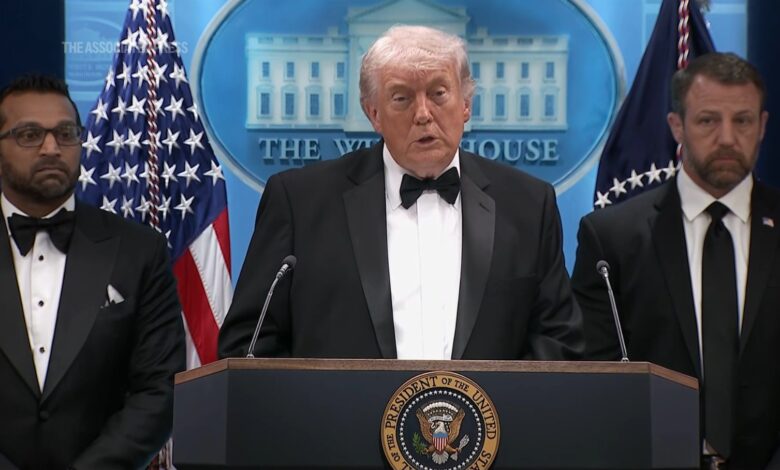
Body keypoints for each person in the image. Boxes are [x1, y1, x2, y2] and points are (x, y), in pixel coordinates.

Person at [219, 25, 583, 361]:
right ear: (373, 114)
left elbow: (559, 342)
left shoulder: (528, 205)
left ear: (466, 104)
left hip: (492, 414)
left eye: (438, 93)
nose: (423, 114)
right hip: (337, 414)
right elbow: (249, 345)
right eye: (401, 98)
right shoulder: (300, 203)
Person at [572, 52, 780, 468]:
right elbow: (596, 377)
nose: (727, 138)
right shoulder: (612, 237)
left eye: (742, 120)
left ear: (762, 126)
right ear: (676, 126)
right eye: (708, 121)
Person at [0, 75, 185, 469]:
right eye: (30, 135)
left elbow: (159, 390)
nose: (52, 148)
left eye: (66, 133)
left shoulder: (140, 251)